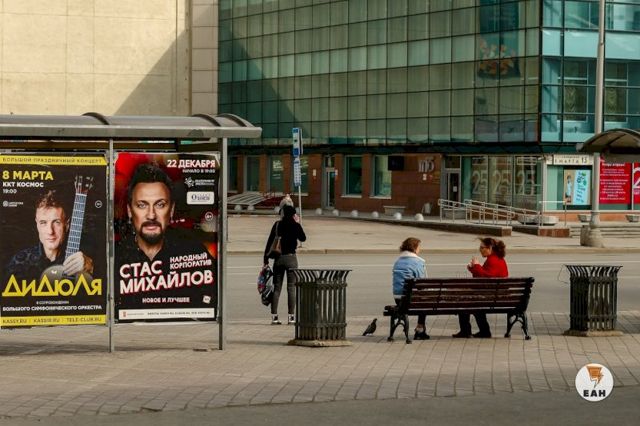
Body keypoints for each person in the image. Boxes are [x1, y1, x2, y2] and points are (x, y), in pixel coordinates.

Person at [115, 163, 216, 317]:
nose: (151, 215)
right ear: (129, 211)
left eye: (160, 205)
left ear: (171, 210)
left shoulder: (193, 251)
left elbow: (210, 299)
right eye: (142, 205)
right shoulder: (116, 255)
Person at [5, 190, 94, 282]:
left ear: (67, 225)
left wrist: (91, 268)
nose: (50, 231)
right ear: (37, 225)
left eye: (56, 222)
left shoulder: (84, 260)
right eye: (43, 223)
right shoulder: (20, 262)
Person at [453, 237, 509, 339]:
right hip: (495, 294)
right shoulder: (497, 259)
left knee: (464, 300)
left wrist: (477, 266)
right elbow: (484, 276)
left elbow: (484, 280)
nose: (480, 250)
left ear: (490, 248)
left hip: (492, 296)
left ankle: (467, 331)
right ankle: (483, 331)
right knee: (472, 301)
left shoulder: (493, 260)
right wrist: (473, 268)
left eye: (482, 248)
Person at [263, 204, 306, 325]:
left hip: (279, 258)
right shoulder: (295, 225)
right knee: (291, 288)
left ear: (283, 213)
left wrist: (265, 259)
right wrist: (298, 223)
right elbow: (303, 238)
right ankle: (291, 317)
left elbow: (269, 242)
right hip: (291, 258)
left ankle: (274, 317)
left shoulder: (277, 225)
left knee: (277, 288)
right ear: (293, 214)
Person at [392, 237, 429, 340]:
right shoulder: (419, 262)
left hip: (398, 299)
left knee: (421, 298)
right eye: (419, 247)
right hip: (412, 300)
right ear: (414, 248)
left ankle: (420, 329)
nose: (420, 249)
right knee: (424, 300)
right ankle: (420, 330)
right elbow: (423, 283)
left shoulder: (397, 261)